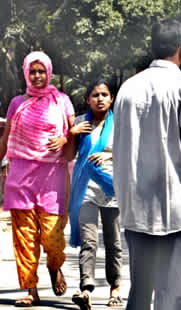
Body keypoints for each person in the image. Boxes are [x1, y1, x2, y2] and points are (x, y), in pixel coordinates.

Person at [113, 19, 181, 310]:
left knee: (141, 290)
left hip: (137, 209)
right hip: (176, 212)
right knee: (176, 294)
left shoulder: (128, 90)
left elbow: (118, 149)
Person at [0, 51, 74, 306]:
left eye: (42, 71)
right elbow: (6, 137)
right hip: (20, 175)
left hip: (52, 176)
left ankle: (55, 266)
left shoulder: (62, 101)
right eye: (33, 71)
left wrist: (65, 138)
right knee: (24, 237)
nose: (38, 76)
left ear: (49, 72)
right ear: (26, 73)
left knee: (53, 239)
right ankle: (31, 289)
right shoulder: (16, 103)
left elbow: (73, 134)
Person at [65, 78, 122, 309]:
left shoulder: (120, 123)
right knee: (89, 241)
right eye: (95, 95)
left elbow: (132, 152)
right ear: (87, 100)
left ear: (112, 98)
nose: (100, 99)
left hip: (112, 188)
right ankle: (85, 289)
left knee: (113, 242)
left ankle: (115, 287)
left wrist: (110, 155)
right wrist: (71, 133)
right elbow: (69, 156)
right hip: (85, 189)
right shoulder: (80, 123)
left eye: (105, 95)